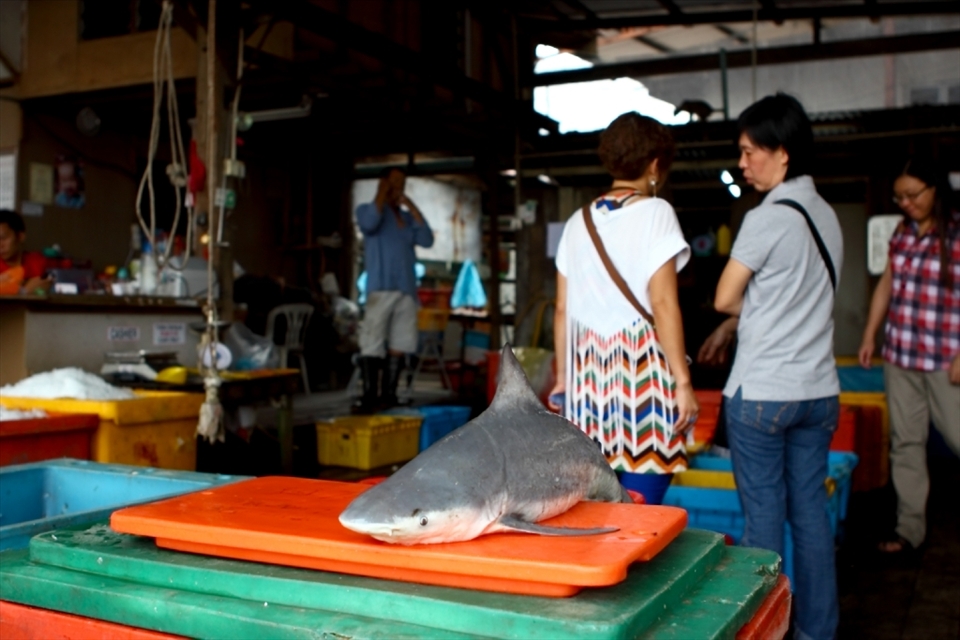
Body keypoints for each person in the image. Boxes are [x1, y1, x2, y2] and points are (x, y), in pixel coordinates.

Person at [705, 93, 843, 640]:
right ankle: (817, 631)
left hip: (763, 394)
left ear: (781, 153)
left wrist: (734, 318)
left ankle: (766, 633)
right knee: (810, 517)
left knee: (762, 522)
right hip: (818, 394)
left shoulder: (767, 219)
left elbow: (724, 296)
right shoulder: (827, 216)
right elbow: (794, 297)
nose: (742, 164)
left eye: (748, 151)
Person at [548, 112, 699, 505]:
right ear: (654, 165)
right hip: (644, 380)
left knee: (596, 516)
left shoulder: (576, 223)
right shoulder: (656, 213)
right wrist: (683, 383)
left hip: (586, 384)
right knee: (640, 515)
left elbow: (562, 310)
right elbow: (664, 302)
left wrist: (563, 380)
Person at [857, 157, 960, 555]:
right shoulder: (902, 231)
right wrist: (871, 334)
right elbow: (887, 282)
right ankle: (909, 530)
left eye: (913, 194)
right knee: (906, 443)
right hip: (901, 355)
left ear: (935, 189)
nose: (906, 203)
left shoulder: (954, 232)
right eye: (900, 197)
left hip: (946, 359)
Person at [355, 168, 433, 410]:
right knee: (372, 339)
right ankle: (370, 394)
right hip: (381, 286)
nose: (398, 186)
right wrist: (381, 192)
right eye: (394, 182)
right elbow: (369, 223)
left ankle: (389, 393)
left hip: (406, 288)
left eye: (402, 183)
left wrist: (411, 205)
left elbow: (427, 240)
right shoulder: (367, 210)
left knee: (401, 340)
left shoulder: (407, 218)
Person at [0, 209, 51, 295]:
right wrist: (24, 291)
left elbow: (49, 281)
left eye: (3, 238)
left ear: (20, 237)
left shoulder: (36, 261)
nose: (0, 245)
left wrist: (43, 285)